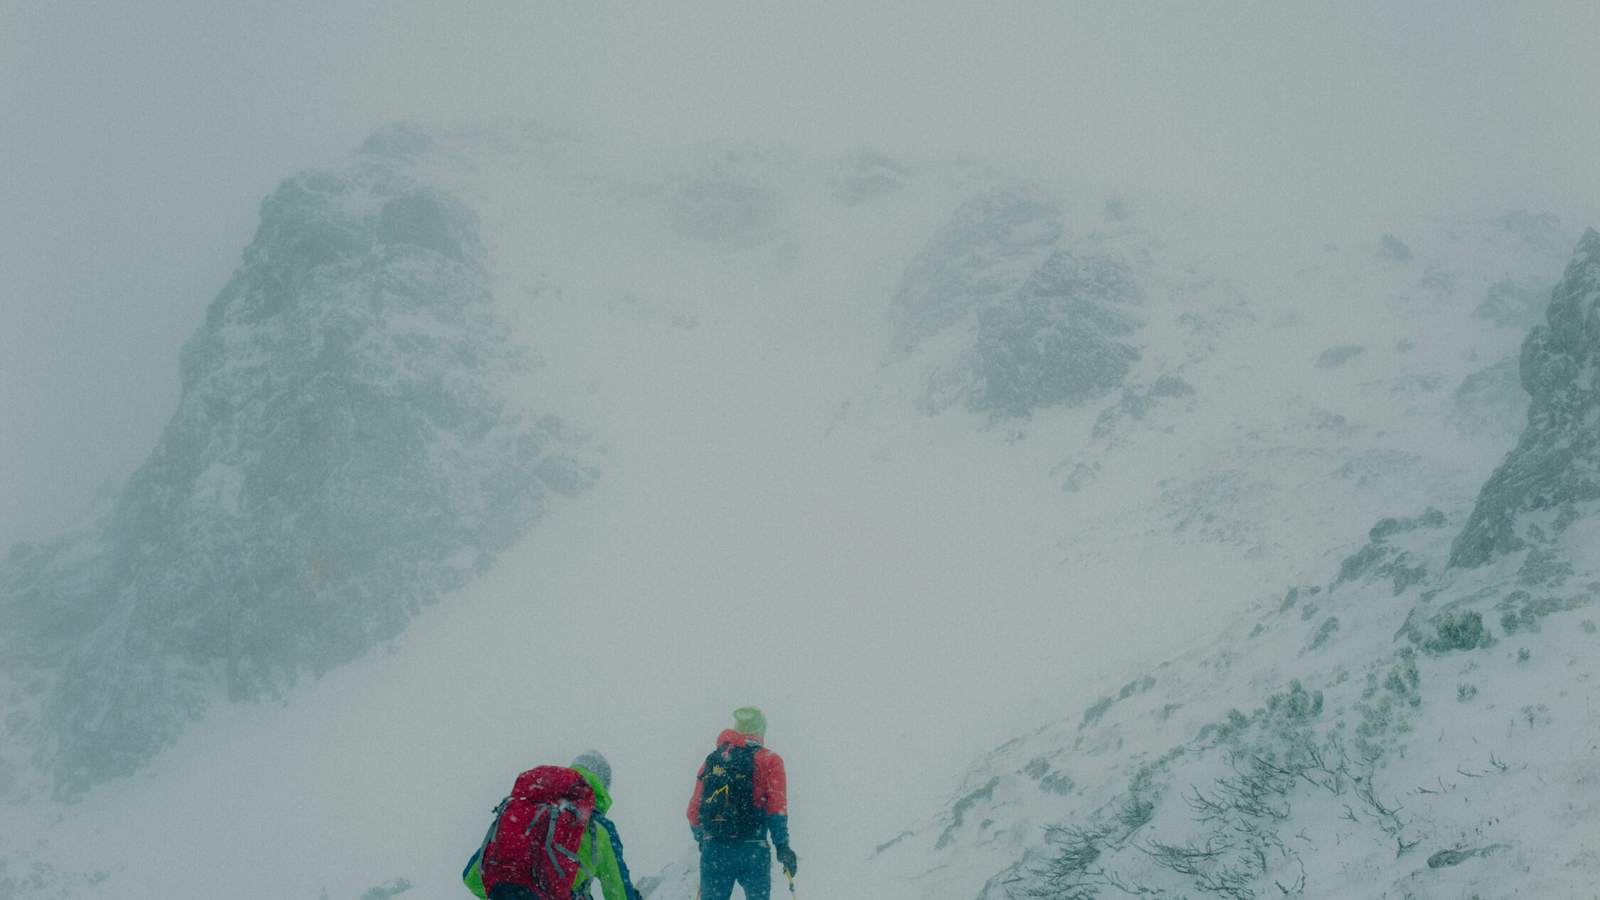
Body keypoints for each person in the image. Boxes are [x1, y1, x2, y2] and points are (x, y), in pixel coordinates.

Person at [463, 751, 642, 900]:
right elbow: (619, 894)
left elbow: (471, 878)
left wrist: (515, 891)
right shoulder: (598, 827)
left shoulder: (525, 809)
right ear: (603, 787)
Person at [686, 707, 797, 900]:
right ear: (761, 731)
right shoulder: (770, 760)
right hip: (753, 848)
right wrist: (782, 846)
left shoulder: (715, 760)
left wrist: (704, 839)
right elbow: (776, 809)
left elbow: (693, 811)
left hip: (715, 849)